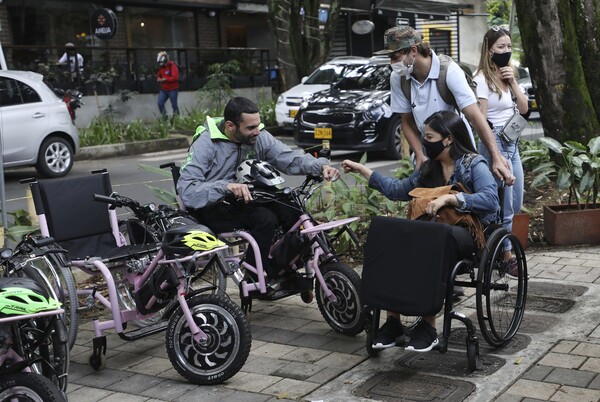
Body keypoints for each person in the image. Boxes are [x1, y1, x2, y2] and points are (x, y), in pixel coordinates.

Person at [341, 110, 498, 352]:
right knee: (391, 234)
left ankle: (428, 327)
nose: (424, 142)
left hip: (467, 233)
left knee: (429, 238)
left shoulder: (473, 164)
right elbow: (398, 189)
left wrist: (451, 199)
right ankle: (392, 322)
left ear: (448, 139)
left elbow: (490, 200)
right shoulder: (429, 168)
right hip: (434, 233)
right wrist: (363, 171)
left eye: (430, 137)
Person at [177, 96, 339, 293]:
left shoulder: (258, 136)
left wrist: (320, 166)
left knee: (292, 210)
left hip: (247, 198)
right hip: (213, 205)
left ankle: (287, 267)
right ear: (230, 126)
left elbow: (288, 158)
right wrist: (226, 187)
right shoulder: (206, 144)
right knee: (266, 220)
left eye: (258, 125)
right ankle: (254, 275)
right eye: (251, 128)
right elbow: (187, 189)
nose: (257, 132)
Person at [374, 26, 515, 186]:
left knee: (462, 202)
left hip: (456, 150)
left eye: (395, 56)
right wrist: (420, 154)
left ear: (413, 50)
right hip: (428, 149)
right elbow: (406, 121)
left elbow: (475, 117)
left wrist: (496, 157)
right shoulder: (399, 78)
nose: (392, 63)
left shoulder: (448, 71)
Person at [474, 26, 528, 274]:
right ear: (489, 50)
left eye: (509, 47)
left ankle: (495, 247)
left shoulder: (507, 76)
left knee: (515, 201)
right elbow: (481, 118)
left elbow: (524, 109)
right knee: (501, 203)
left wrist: (513, 80)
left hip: (512, 141)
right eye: (500, 47)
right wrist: (493, 152)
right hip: (494, 140)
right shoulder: (481, 79)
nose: (506, 51)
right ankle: (505, 255)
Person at [156, 51, 180, 119]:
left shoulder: (172, 66)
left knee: (174, 105)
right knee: (160, 103)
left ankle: (176, 119)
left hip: (173, 89)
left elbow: (175, 77)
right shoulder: (161, 68)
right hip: (164, 89)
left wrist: (165, 79)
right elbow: (159, 76)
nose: (161, 64)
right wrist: (158, 79)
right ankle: (164, 117)